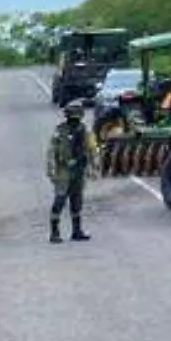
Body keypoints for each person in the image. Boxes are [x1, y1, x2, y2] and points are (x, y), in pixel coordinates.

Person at [46, 100, 97, 243]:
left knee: (77, 201)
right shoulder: (60, 131)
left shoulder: (85, 131)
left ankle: (77, 230)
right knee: (60, 200)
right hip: (63, 170)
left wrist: (94, 167)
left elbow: (92, 149)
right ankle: (54, 232)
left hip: (79, 170)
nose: (74, 118)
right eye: (72, 115)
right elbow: (52, 151)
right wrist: (51, 170)